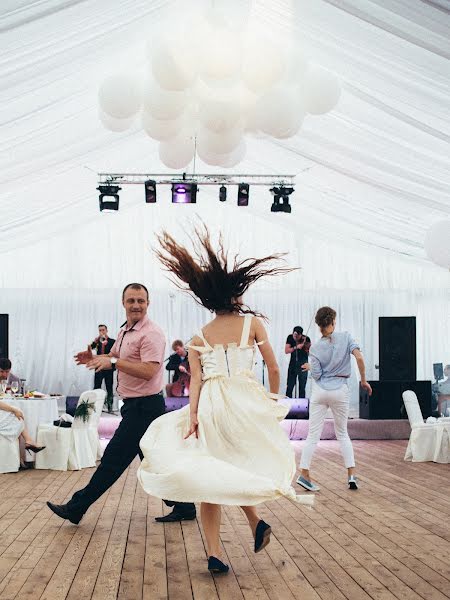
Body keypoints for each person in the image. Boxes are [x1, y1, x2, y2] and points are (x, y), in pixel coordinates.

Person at [137, 227, 313, 575]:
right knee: (237, 465)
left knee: (209, 474)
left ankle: (217, 553)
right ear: (236, 293)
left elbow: (197, 381)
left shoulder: (198, 336)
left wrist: (192, 418)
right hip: (245, 401)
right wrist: (273, 403)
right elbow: (275, 368)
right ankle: (255, 523)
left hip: (213, 405)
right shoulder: (253, 324)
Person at [47, 283, 195, 524]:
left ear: (148, 303)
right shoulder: (127, 331)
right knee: (154, 462)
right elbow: (114, 356)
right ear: (123, 303)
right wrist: (96, 358)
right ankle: (185, 506)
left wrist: (114, 363)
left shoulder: (152, 333)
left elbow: (148, 371)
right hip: (134, 407)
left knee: (112, 461)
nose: (136, 305)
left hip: (145, 408)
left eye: (140, 300)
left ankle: (77, 507)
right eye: (131, 300)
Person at [297, 306, 372, 492]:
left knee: (313, 435)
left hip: (320, 391)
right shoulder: (346, 337)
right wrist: (363, 380)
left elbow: (317, 375)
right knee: (343, 434)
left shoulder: (314, 347)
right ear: (333, 321)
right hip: (340, 390)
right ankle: (351, 475)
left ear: (318, 325)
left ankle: (304, 473)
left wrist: (310, 367)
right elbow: (360, 359)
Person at [90, 324, 116, 412]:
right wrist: (96, 341)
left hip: (108, 368)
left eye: (103, 330)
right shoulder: (97, 341)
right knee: (97, 387)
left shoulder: (112, 341)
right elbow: (91, 348)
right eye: (100, 330)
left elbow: (115, 354)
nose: (101, 332)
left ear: (106, 331)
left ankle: (110, 408)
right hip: (99, 367)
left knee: (109, 388)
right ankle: (95, 408)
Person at [285, 326, 311, 398]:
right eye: (294, 335)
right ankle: (287, 405)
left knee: (302, 387)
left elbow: (309, 353)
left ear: (301, 335)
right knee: (289, 386)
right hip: (293, 364)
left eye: (297, 336)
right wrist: (296, 347)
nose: (295, 337)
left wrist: (306, 346)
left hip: (303, 365)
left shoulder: (306, 338)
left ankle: (301, 407)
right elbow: (286, 351)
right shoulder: (290, 337)